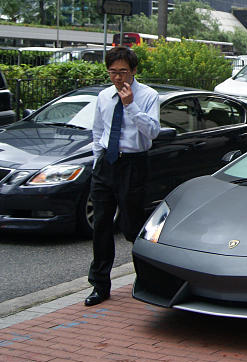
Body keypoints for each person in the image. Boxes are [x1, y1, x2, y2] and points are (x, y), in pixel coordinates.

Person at [85, 46, 160, 306]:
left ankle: (147, 278)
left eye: (123, 72)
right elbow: (98, 130)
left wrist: (130, 106)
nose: (118, 78)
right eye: (112, 72)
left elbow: (152, 132)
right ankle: (99, 284)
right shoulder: (104, 96)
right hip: (107, 163)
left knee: (132, 226)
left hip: (133, 164)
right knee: (102, 225)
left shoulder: (148, 96)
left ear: (134, 71)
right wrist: (99, 158)